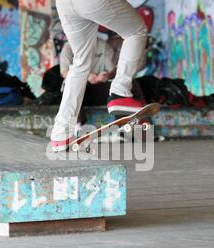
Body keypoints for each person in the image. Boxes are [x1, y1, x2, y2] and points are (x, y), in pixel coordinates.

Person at [50, 0, 148, 151]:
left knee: (80, 62)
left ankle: (61, 132)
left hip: (64, 4)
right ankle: (120, 92)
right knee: (136, 31)